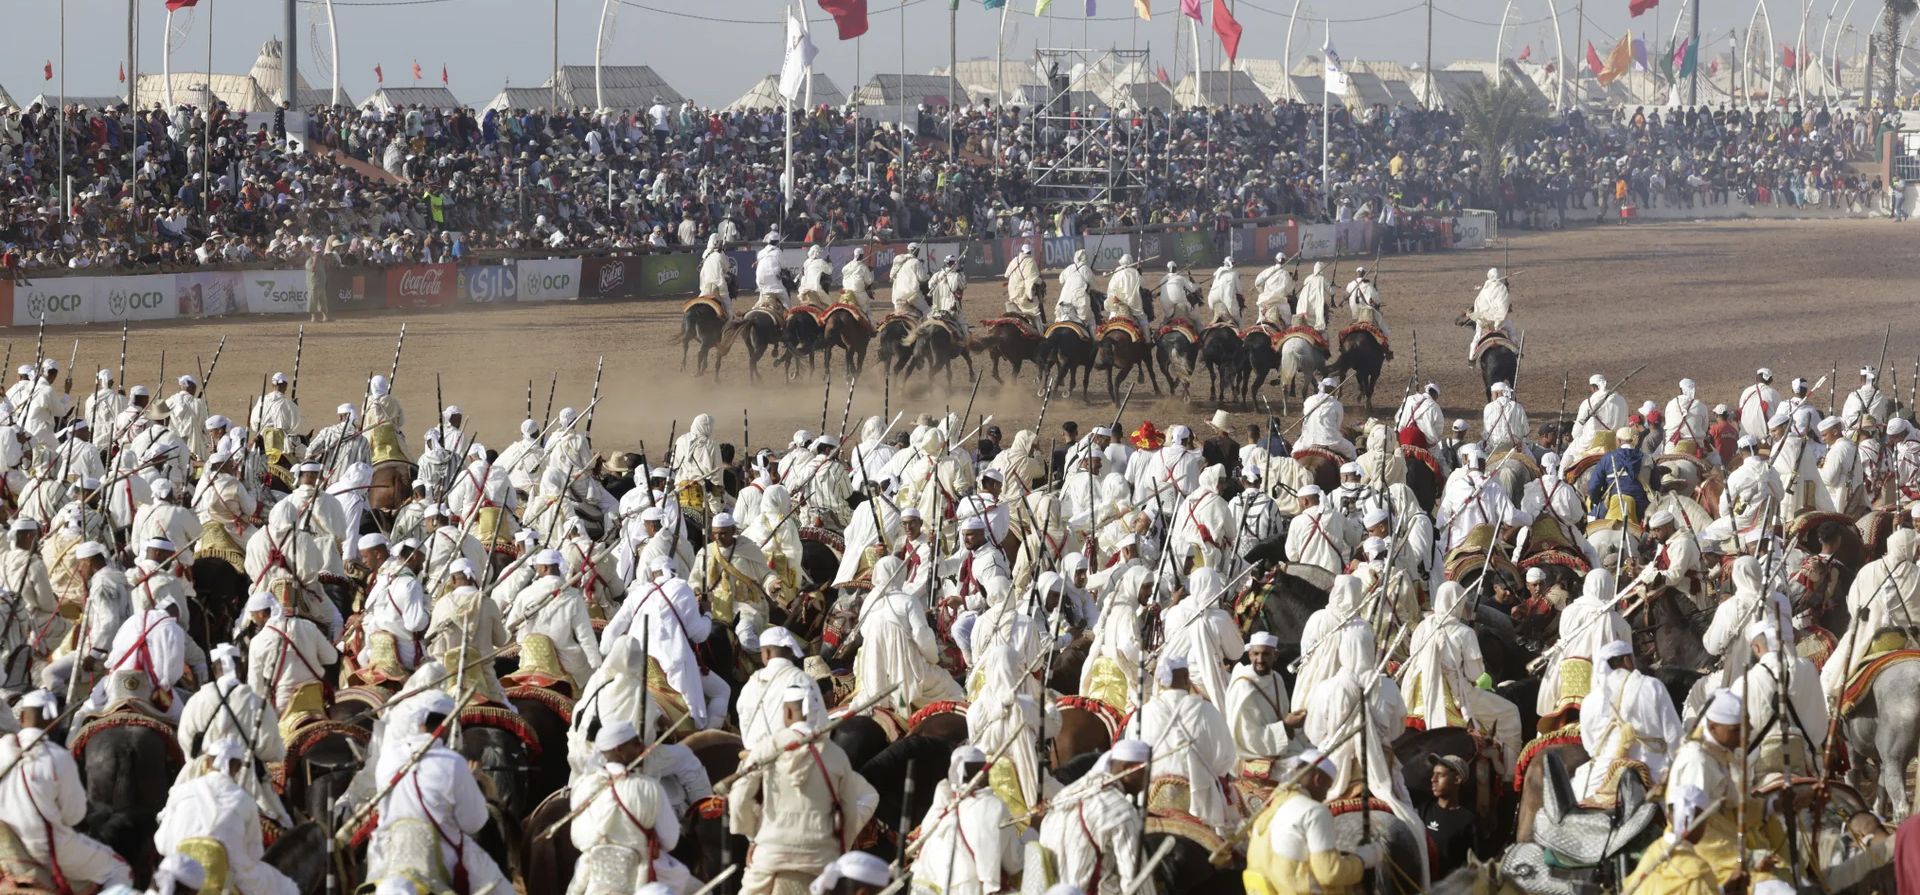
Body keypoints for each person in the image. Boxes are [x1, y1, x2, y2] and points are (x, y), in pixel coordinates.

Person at [728, 686, 879, 895]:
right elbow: (853, 809)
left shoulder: (768, 747)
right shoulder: (836, 755)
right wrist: (840, 847)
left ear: (788, 712)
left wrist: (754, 836)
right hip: (819, 861)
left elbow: (738, 798)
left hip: (770, 858)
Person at [368, 691, 511, 894]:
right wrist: (469, 781)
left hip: (389, 855)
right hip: (441, 856)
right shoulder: (452, 762)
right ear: (449, 725)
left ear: (418, 723)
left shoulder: (388, 757)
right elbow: (474, 823)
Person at [154, 739, 300, 895]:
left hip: (179, 870)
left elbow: (162, 842)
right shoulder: (244, 800)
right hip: (226, 876)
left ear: (206, 762)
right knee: (284, 886)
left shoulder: (181, 791)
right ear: (238, 768)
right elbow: (254, 852)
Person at [567, 722, 693, 893]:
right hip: (642, 876)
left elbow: (579, 838)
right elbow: (670, 841)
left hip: (593, 877)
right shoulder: (649, 787)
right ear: (619, 749)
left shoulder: (583, 786)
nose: (641, 747)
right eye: (635, 743)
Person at [1244, 749, 1378, 894]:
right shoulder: (1314, 811)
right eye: (1327, 788)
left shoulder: (1269, 809)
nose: (1325, 796)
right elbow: (1330, 873)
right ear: (1317, 780)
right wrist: (1362, 859)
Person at [1036, 739, 1152, 895]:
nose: (1148, 781)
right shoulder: (1122, 811)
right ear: (1127, 770)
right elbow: (1136, 881)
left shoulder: (1063, 796)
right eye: (1145, 773)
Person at [1574, 640, 1683, 802]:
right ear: (1627, 660)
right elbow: (1675, 739)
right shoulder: (1652, 685)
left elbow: (1590, 747)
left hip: (1602, 776)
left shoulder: (1589, 700)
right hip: (1652, 772)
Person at [1136, 656, 1237, 831]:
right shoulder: (1208, 711)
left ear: (1159, 681)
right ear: (1186, 678)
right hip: (1201, 802)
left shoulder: (1142, 714)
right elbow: (1226, 758)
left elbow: (1133, 758)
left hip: (1151, 799)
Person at [851, 557, 963, 714]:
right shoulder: (908, 601)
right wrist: (933, 659)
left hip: (874, 673)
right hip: (909, 672)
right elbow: (923, 638)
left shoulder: (869, 603)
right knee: (952, 689)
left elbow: (865, 632)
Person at [909, 746, 1019, 895]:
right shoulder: (993, 806)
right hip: (969, 888)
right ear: (981, 770)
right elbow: (1013, 863)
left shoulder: (941, 805)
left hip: (935, 886)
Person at [1225, 632, 1298, 763]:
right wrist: (1286, 725)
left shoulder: (1277, 678)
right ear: (1249, 655)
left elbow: (1281, 715)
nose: (1260, 659)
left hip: (1279, 745)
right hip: (1252, 756)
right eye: (1256, 654)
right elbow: (1247, 738)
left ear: (1275, 655)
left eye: (1266, 654)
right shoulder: (1243, 686)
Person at [1421, 755, 1481, 879]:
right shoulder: (1423, 810)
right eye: (1433, 774)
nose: (1433, 779)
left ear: (1457, 779)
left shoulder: (1468, 821)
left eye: (1440, 775)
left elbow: (1473, 866)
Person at [1464, 267, 1514, 363]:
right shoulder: (1502, 288)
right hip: (1500, 322)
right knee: (1511, 330)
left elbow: (1478, 304)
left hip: (1484, 322)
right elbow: (1505, 306)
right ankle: (1517, 351)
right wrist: (1507, 289)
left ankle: (1471, 358)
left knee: (1477, 337)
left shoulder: (1484, 289)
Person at [1297, 378, 1356, 459]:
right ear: (1334, 390)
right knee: (1351, 450)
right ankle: (1353, 465)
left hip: (1307, 441)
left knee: (1294, 451)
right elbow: (1338, 426)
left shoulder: (1309, 400)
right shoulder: (1337, 404)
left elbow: (1304, 420)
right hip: (1330, 442)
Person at [1480, 381, 1529, 455]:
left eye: (1492, 394)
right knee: (1533, 460)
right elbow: (1526, 430)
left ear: (1496, 394)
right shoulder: (1518, 406)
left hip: (1493, 448)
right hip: (1515, 447)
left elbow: (1485, 432)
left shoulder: (1488, 407)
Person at [1055, 249, 1096, 329]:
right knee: (1090, 319)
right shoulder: (1086, 269)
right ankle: (1092, 337)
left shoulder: (1069, 268)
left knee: (1059, 320)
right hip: (1079, 300)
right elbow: (1093, 285)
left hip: (1063, 299)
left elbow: (1061, 280)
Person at [1104, 255, 1146, 330]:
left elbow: (1111, 289)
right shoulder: (1134, 272)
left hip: (1116, 302)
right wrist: (1139, 274)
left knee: (1112, 315)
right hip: (1132, 304)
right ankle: (1148, 337)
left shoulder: (1116, 272)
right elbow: (1142, 284)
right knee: (1143, 319)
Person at [1252, 253, 1293, 329]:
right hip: (1280, 303)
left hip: (1264, 302)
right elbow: (1288, 290)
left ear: (1275, 260)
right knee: (1288, 323)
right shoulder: (1285, 274)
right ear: (1285, 261)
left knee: (1259, 322)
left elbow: (1257, 283)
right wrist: (1293, 280)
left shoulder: (1267, 271)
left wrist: (1263, 293)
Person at [1004, 242, 1042, 319]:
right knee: (1034, 312)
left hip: (1012, 292)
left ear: (1021, 251)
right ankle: (1038, 326)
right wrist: (1040, 281)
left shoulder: (1014, 260)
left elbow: (1006, 275)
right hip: (1023, 293)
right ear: (1030, 252)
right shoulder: (1030, 261)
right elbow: (1033, 278)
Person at [1295, 261, 1333, 333]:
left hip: (1303, 307)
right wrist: (1333, 286)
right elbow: (1332, 292)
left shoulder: (1308, 278)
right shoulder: (1322, 279)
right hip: (1315, 309)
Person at [1205, 257, 1240, 326]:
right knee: (1238, 319)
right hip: (1227, 301)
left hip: (1212, 302)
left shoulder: (1217, 272)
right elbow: (1239, 290)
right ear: (1232, 263)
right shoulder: (1235, 273)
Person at [840, 247, 875, 315]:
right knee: (867, 311)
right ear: (862, 256)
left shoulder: (847, 266)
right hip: (858, 294)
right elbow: (869, 281)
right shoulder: (863, 267)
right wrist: (871, 272)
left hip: (845, 293)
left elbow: (843, 271)